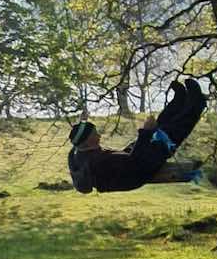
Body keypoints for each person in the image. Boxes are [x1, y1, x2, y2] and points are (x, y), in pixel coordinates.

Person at [68, 79, 206, 193]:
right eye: (94, 135)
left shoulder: (78, 153)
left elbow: (79, 139)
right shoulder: (99, 163)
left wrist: (82, 122)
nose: (99, 136)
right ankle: (197, 103)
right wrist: (146, 132)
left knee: (157, 127)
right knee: (170, 132)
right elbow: (134, 162)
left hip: (126, 165)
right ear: (87, 142)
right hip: (138, 171)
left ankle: (179, 101)